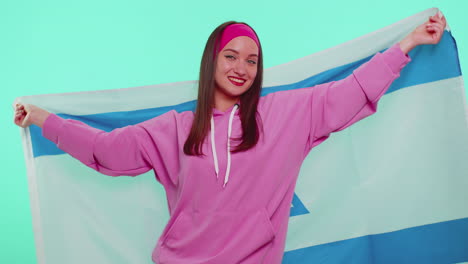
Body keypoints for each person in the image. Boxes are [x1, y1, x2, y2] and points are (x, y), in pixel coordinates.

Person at [14, 12, 447, 264]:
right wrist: (43, 119)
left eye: (253, 60)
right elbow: (105, 151)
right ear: (212, 61)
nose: (242, 67)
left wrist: (406, 44)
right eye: (231, 56)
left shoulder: (285, 114)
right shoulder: (175, 129)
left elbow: (349, 93)